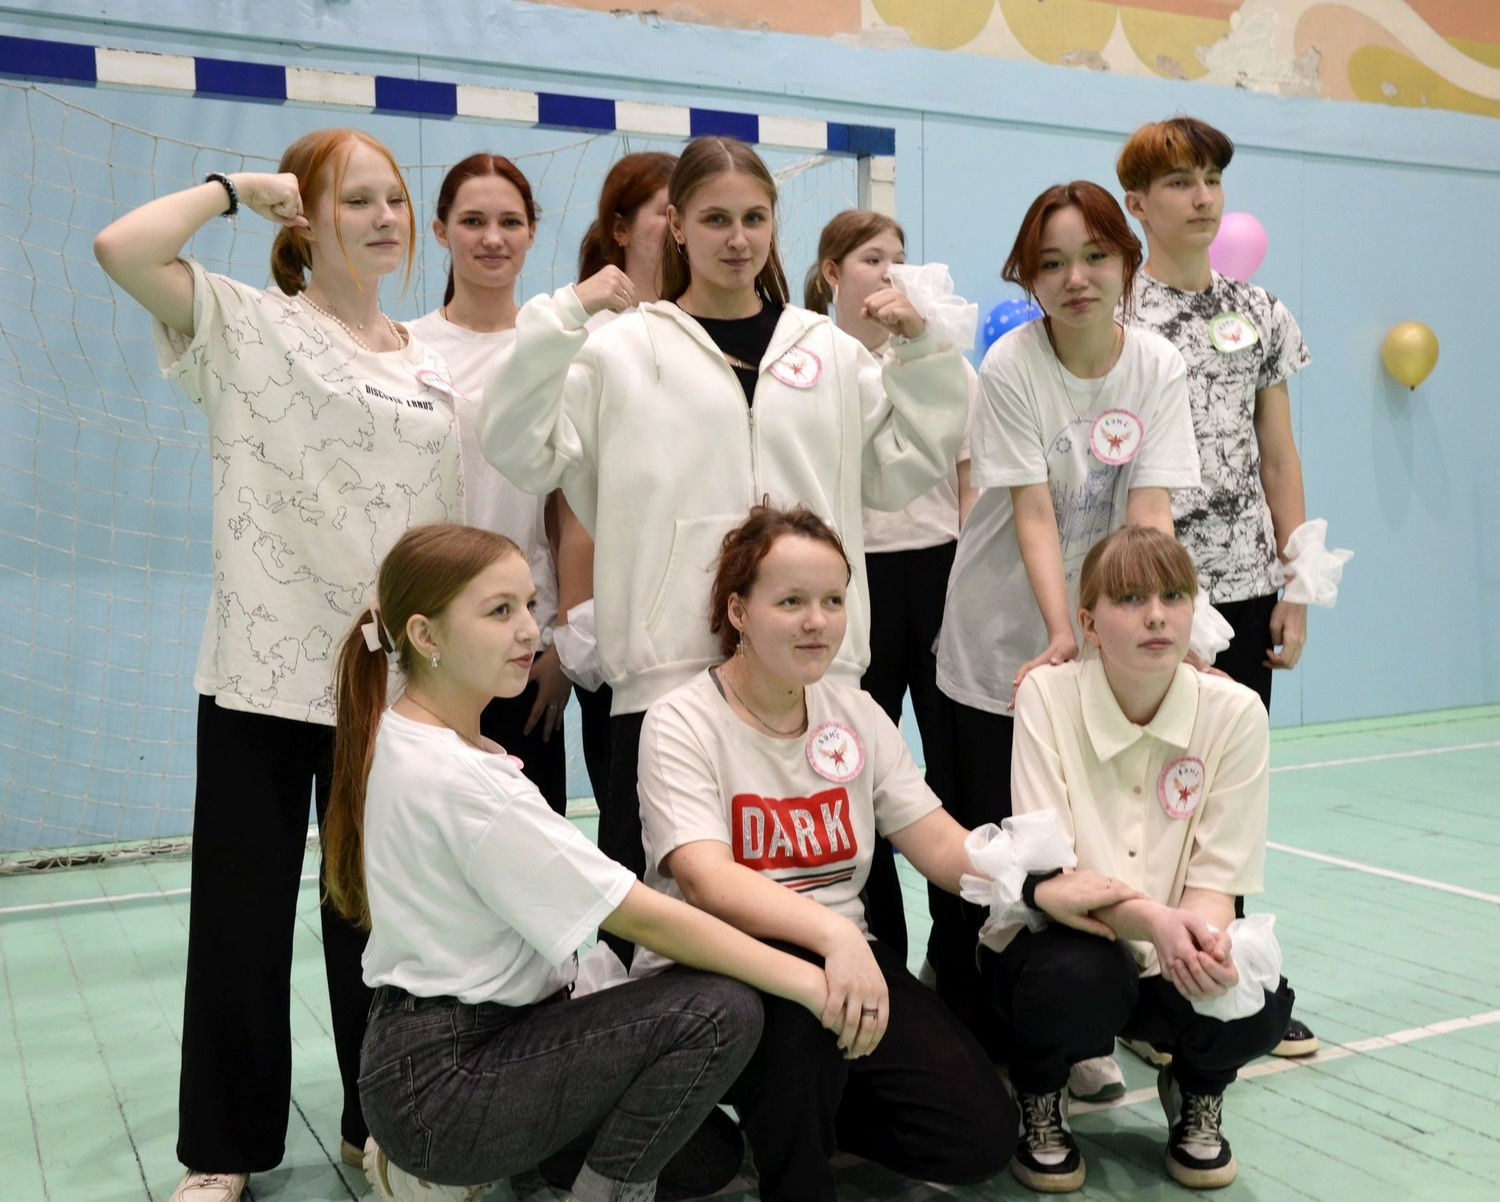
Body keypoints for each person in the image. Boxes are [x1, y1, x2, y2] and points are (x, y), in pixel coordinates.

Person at [479, 137, 968, 951]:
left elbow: (899, 469)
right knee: (663, 939)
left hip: (811, 685)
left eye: (754, 218)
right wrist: (561, 319)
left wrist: (924, 355)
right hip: (666, 678)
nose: (737, 239)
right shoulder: (619, 350)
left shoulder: (829, 350)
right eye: (714, 219)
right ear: (675, 225)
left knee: (844, 919)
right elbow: (520, 448)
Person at [93, 129, 463, 1202]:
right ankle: (224, 1148)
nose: (386, 217)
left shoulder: (429, 359)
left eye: (395, 199)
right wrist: (232, 190)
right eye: (357, 199)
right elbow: (121, 248)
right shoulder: (247, 323)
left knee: (377, 921)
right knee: (240, 920)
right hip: (259, 671)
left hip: (386, 685)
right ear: (306, 217)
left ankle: (377, 1121)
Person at [324, 521, 844, 1202]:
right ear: (425, 635)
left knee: (707, 1160)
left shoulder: (407, 731)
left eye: (529, 605)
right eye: (499, 611)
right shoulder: (465, 782)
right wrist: (811, 983)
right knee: (722, 1010)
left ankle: (466, 1164)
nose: (529, 632)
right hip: (448, 1080)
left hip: (428, 1053)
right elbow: (643, 917)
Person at [632, 503, 1138, 1201]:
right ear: (739, 611)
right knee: (798, 1027)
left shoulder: (856, 714)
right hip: (722, 968)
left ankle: (797, 1119)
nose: (817, 621)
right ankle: (795, 1170)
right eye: (790, 602)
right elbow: (708, 881)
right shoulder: (682, 721)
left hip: (844, 958)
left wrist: (1037, 887)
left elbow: (939, 842)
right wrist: (836, 935)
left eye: (832, 600)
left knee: (977, 1137)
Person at [929, 181, 1200, 1096]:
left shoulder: (1156, 364)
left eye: (1094, 256)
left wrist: (1160, 620)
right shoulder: (1012, 364)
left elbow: (1149, 508)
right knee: (986, 846)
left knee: (1081, 844)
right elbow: (1036, 513)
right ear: (1028, 276)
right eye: (1051, 262)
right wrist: (1059, 633)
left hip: (1103, 636)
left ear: (1126, 261)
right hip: (1004, 637)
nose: (1075, 277)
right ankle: (972, 1024)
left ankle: (1075, 1031)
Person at [985, 524, 1294, 1192]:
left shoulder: (1236, 712)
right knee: (1069, 980)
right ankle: (1040, 1091)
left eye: (1174, 596)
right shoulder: (1046, 696)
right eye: (1130, 599)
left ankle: (1196, 1089)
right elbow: (1055, 878)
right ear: (1089, 625)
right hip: (1069, 938)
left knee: (1258, 999)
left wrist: (1202, 948)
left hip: (1169, 946)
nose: (1157, 615)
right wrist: (1155, 921)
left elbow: (1217, 879)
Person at [1118, 115, 1319, 1058]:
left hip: (1244, 591)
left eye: (1211, 179)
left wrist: (1296, 582)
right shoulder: (1117, 313)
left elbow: (1281, 457)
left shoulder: (1262, 312)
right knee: (1148, 794)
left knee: (1226, 796)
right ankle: (1147, 995)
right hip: (1149, 597)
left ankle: (1234, 986)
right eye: (1178, 182)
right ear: (1138, 204)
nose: (1201, 198)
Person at [804, 209, 978, 957]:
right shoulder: (811, 365)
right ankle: (878, 951)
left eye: (899, 259)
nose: (889, 273)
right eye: (872, 259)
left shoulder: (941, 364)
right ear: (831, 273)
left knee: (950, 772)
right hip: (851, 582)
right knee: (855, 768)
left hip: (937, 577)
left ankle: (958, 956)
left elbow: (971, 483)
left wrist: (964, 589)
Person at [406, 153, 570, 812]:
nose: (492, 238)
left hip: (524, 647)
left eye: (510, 222)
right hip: (426, 648)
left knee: (527, 840)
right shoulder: (403, 349)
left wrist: (560, 645)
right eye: (473, 221)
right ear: (441, 231)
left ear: (531, 232)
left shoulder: (561, 350)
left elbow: (572, 510)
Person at [557, 150, 680, 811]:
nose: (680, 224)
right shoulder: (592, 341)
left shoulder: (702, 331)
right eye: (665, 211)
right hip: (616, 630)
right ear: (620, 229)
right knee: (630, 817)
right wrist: (579, 617)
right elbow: (574, 501)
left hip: (693, 628)